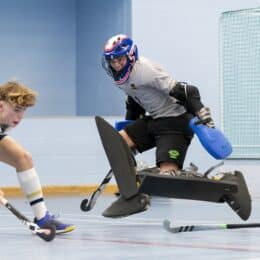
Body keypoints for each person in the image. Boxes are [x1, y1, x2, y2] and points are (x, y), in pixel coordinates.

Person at [102, 34, 214, 176]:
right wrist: (129, 129)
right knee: (117, 143)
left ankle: (178, 173)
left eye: (120, 60)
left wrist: (203, 116)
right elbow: (135, 104)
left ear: (130, 56)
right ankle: (136, 185)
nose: (116, 65)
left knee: (167, 176)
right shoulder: (120, 78)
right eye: (112, 61)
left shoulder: (145, 70)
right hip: (155, 120)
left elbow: (187, 91)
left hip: (176, 122)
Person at [0, 81, 75, 234]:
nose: (20, 117)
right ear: (1, 106)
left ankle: (42, 218)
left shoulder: (4, 121)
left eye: (23, 111)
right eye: (16, 110)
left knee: (23, 158)